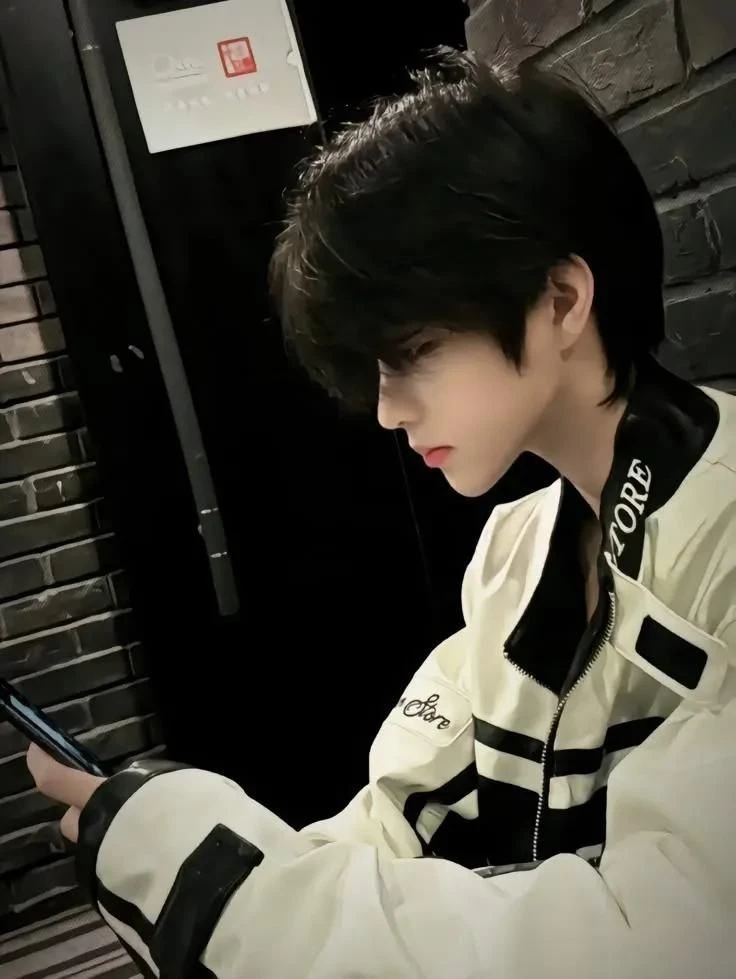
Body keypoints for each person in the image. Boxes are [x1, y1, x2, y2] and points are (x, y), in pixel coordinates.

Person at [29, 48, 736, 979]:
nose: (388, 408)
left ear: (561, 300)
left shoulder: (724, 533)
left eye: (412, 350)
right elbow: (397, 813)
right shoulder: (514, 551)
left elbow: (664, 938)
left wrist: (210, 879)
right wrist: (192, 855)